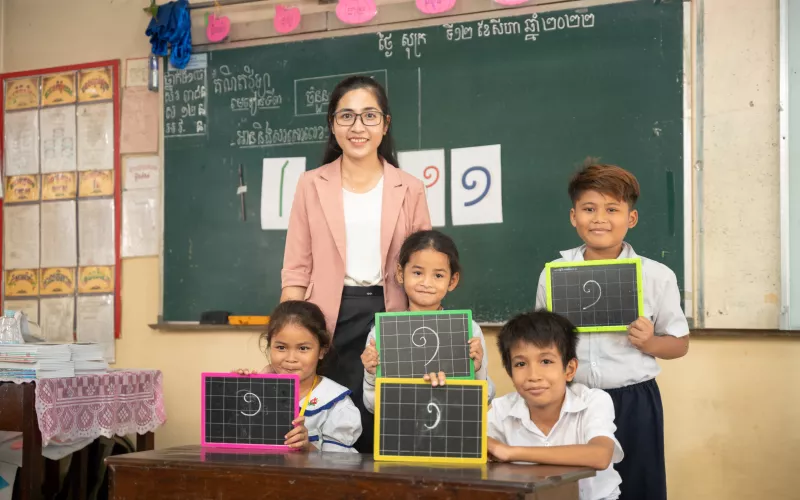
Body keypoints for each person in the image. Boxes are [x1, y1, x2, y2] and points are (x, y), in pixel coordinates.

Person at [281, 75, 432, 452]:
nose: (358, 127)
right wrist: (289, 331)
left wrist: (426, 327)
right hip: (328, 318)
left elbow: (425, 267)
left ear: (385, 124)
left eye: (369, 116)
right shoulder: (310, 184)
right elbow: (297, 266)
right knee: (328, 430)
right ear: (333, 125)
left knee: (385, 426)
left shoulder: (409, 187)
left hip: (391, 314)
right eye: (346, 116)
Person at [535, 163, 690, 500]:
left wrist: (649, 342)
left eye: (612, 209)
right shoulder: (554, 275)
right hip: (574, 399)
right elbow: (540, 343)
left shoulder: (657, 275)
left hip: (634, 398)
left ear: (630, 218)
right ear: (573, 216)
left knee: (638, 486)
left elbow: (679, 344)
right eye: (589, 209)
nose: (599, 218)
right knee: (575, 488)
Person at [488, 311, 623, 500]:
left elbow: (600, 455)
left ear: (569, 370)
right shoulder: (501, 410)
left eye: (546, 361)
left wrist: (510, 452)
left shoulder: (593, 401)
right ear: (510, 373)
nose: (533, 375)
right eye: (520, 364)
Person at [361, 230, 495, 413]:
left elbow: (484, 399)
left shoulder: (468, 330)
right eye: (417, 272)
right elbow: (373, 406)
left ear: (452, 280)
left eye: (438, 275)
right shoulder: (382, 333)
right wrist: (370, 373)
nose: (426, 283)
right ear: (400, 273)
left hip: (453, 429)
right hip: (402, 431)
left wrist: (477, 369)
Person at [234, 301, 361, 452]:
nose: (291, 358)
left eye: (303, 348)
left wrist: (307, 448)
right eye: (281, 347)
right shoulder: (257, 391)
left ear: (322, 351)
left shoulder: (337, 403)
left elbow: (338, 464)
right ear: (269, 347)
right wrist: (237, 389)